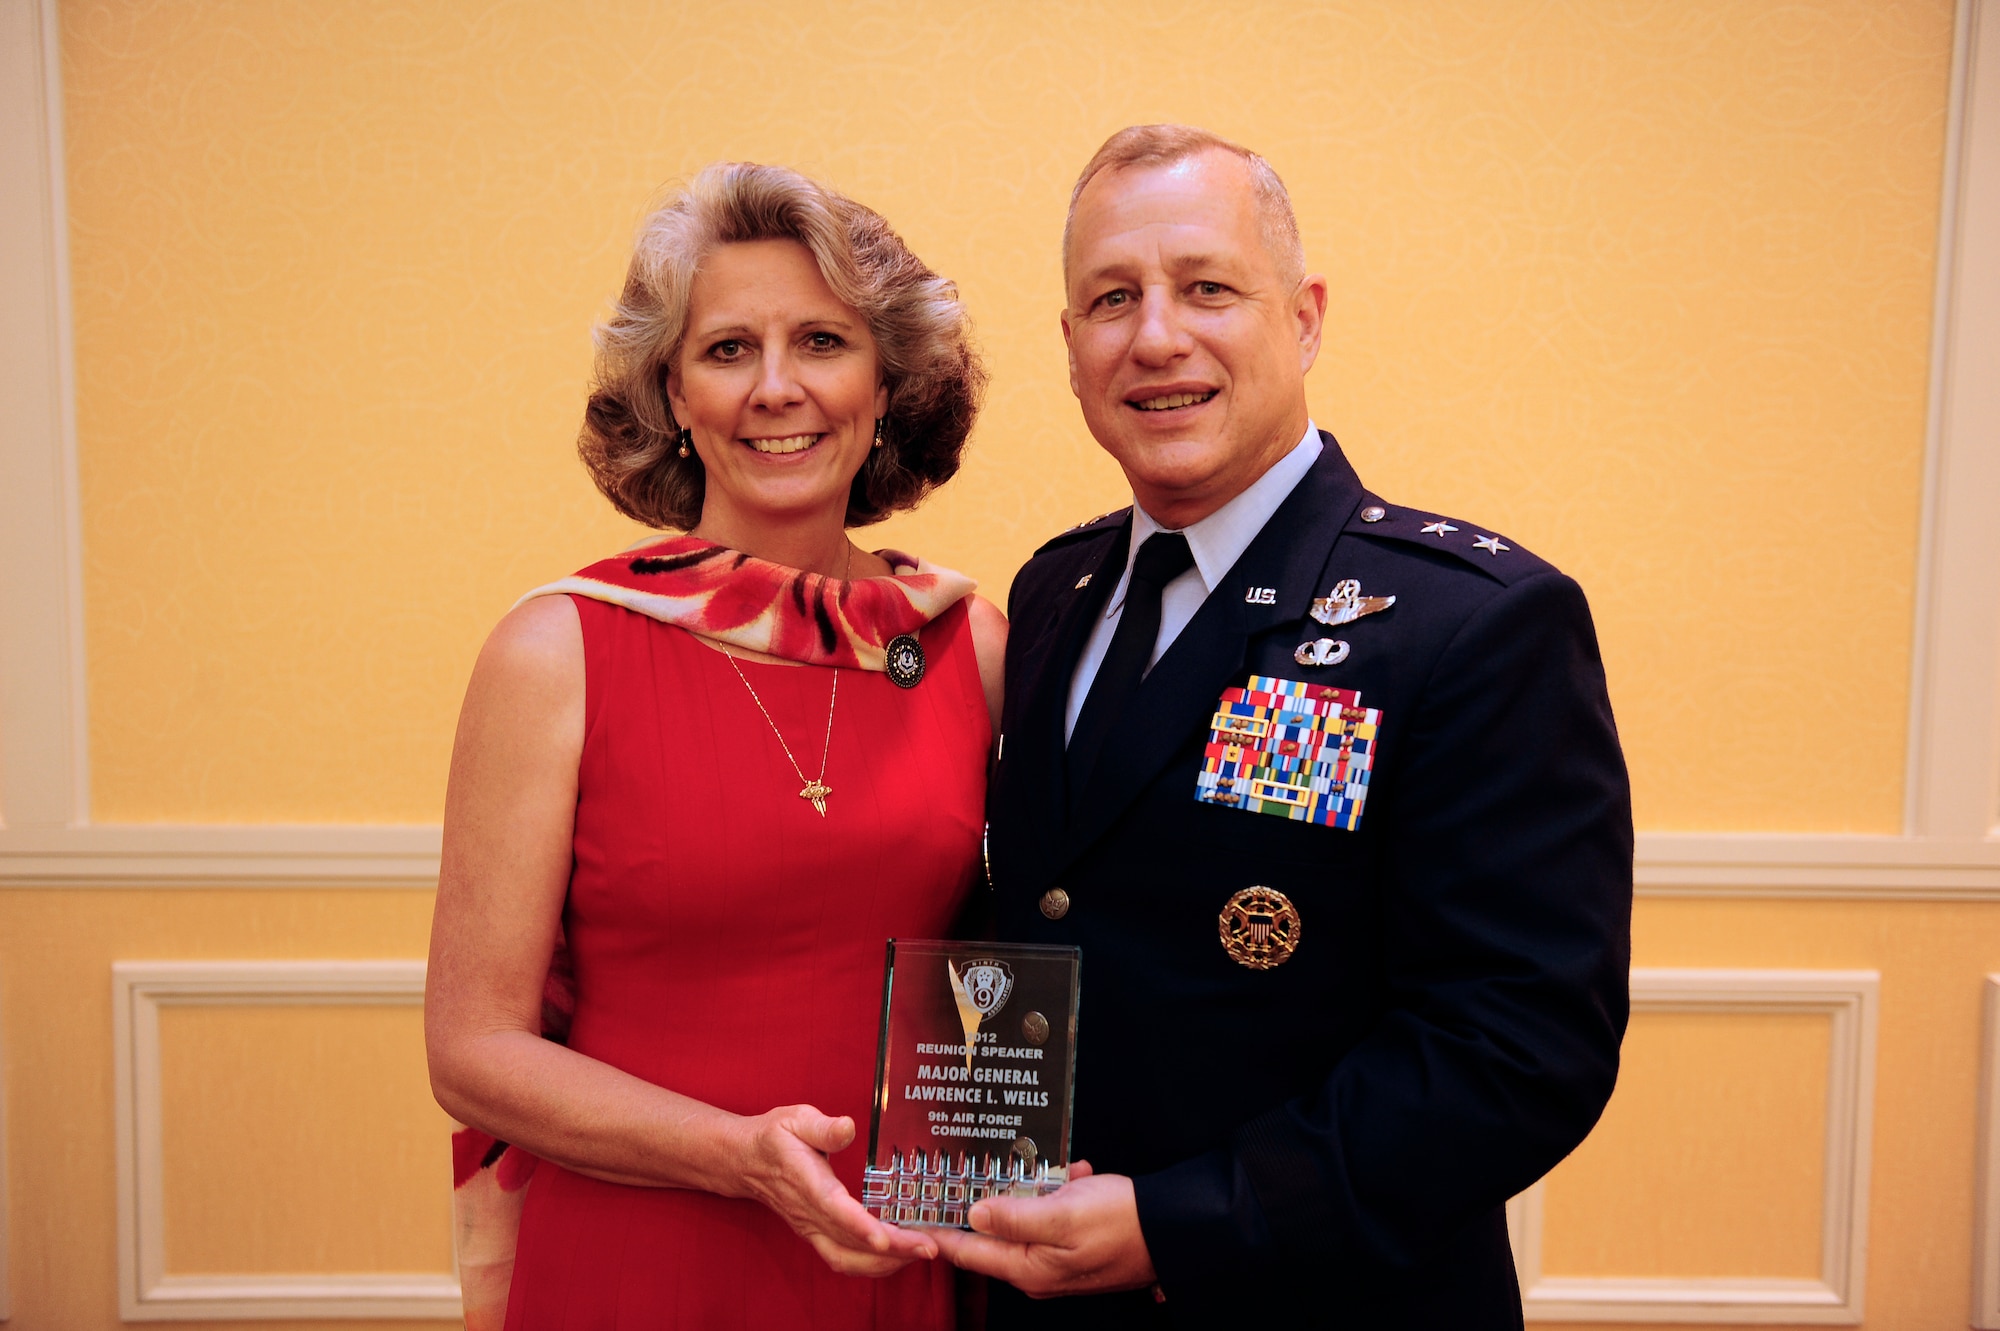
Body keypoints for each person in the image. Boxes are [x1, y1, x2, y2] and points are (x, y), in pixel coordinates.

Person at [931, 125, 1633, 1328]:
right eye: (1111, 299)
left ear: (1302, 317)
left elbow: (1516, 1045)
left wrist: (1180, 1222)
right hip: (1042, 1292)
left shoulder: (1470, 623)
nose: (1156, 336)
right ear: (1068, 347)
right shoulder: (1054, 592)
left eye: (1206, 286)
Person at [425, 161, 1006, 1330]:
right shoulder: (556, 650)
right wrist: (734, 1153)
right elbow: (472, 1050)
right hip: (643, 1252)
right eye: (728, 349)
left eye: (822, 343)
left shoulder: (965, 645)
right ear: (673, 394)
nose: (776, 388)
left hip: (897, 1252)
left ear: (888, 380)